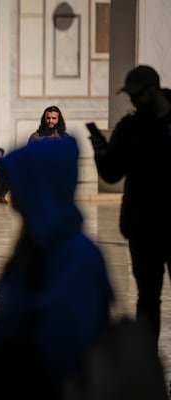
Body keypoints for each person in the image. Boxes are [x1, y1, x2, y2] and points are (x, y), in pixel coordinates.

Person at [0, 137, 113, 399]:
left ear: (41, 186)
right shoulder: (36, 243)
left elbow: (60, 346)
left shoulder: (75, 258)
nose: (14, 191)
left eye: (23, 181)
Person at [89, 65, 171, 350]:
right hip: (144, 227)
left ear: (153, 91)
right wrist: (101, 151)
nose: (133, 101)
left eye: (136, 95)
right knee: (148, 298)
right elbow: (112, 173)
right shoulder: (130, 127)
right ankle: (147, 367)